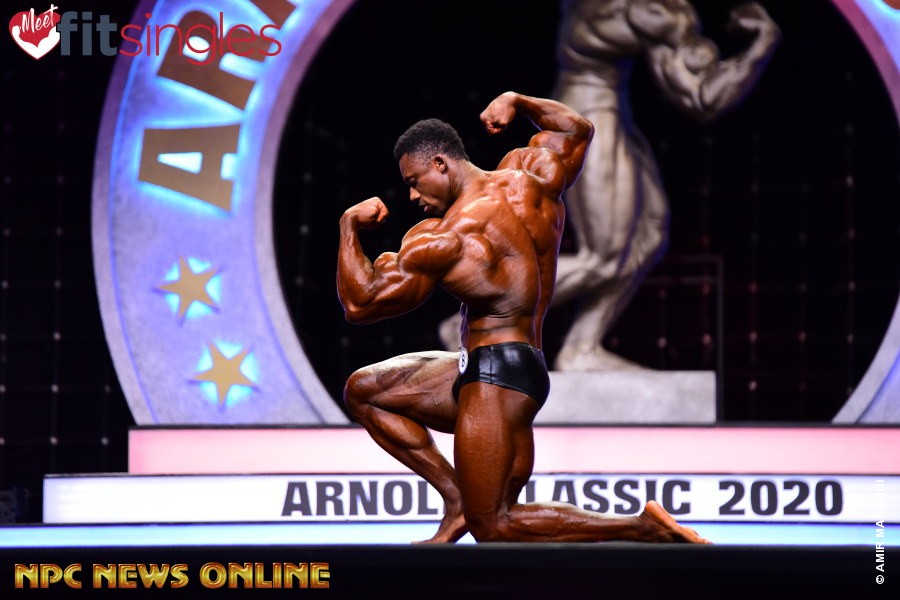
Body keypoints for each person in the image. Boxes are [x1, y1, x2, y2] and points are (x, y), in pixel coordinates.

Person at [337, 90, 709, 544]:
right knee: (365, 391)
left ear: (440, 163)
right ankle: (456, 497)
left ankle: (640, 527)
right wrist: (517, 101)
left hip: (496, 378)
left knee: (494, 525)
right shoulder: (529, 178)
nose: (413, 195)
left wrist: (348, 227)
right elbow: (576, 129)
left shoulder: (447, 238)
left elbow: (360, 304)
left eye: (415, 181)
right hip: (506, 365)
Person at [439, 1, 781, 371]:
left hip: (606, 113)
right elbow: (702, 98)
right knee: (602, 258)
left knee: (648, 236)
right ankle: (468, 319)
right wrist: (763, 41)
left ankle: (582, 347)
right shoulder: (644, 11)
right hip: (591, 116)